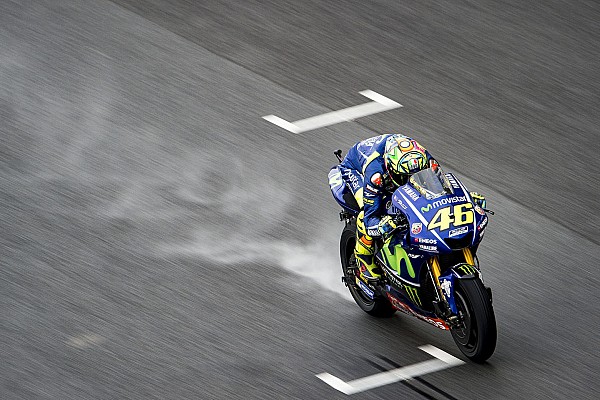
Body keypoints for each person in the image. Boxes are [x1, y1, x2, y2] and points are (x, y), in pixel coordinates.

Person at [334, 134, 485, 284]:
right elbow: (370, 219)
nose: (410, 180)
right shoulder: (376, 174)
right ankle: (363, 259)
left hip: (394, 153)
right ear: (391, 171)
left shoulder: (426, 160)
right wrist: (380, 226)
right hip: (354, 170)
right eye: (404, 177)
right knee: (366, 214)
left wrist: (466, 199)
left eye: (415, 175)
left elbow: (442, 190)